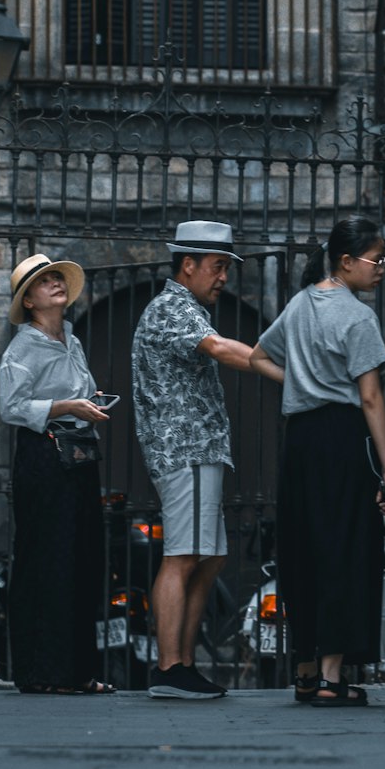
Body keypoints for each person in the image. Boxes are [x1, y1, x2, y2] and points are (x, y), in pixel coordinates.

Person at [249, 216, 385, 707]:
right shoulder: (357, 317)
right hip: (341, 436)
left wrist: (300, 383)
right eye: (376, 260)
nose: (382, 268)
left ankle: (307, 670)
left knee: (304, 547)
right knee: (344, 548)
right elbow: (371, 398)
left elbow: (256, 357)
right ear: (347, 261)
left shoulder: (298, 305)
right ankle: (334, 677)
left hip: (301, 440)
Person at [131, 220, 255, 699]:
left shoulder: (183, 309)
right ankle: (170, 669)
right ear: (189, 265)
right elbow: (220, 349)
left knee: (210, 556)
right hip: (186, 449)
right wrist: (287, 368)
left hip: (197, 449)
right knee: (183, 556)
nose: (223, 277)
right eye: (218, 266)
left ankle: (180, 664)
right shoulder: (171, 307)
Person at [0, 251, 115, 695]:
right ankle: (42, 672)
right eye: (45, 282)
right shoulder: (22, 347)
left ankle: (78, 671)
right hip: (43, 458)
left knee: (82, 559)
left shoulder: (72, 337)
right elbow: (11, 407)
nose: (56, 285)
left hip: (78, 455)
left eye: (57, 279)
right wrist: (67, 406)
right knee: (47, 560)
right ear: (29, 300)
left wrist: (91, 399)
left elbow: (77, 389)